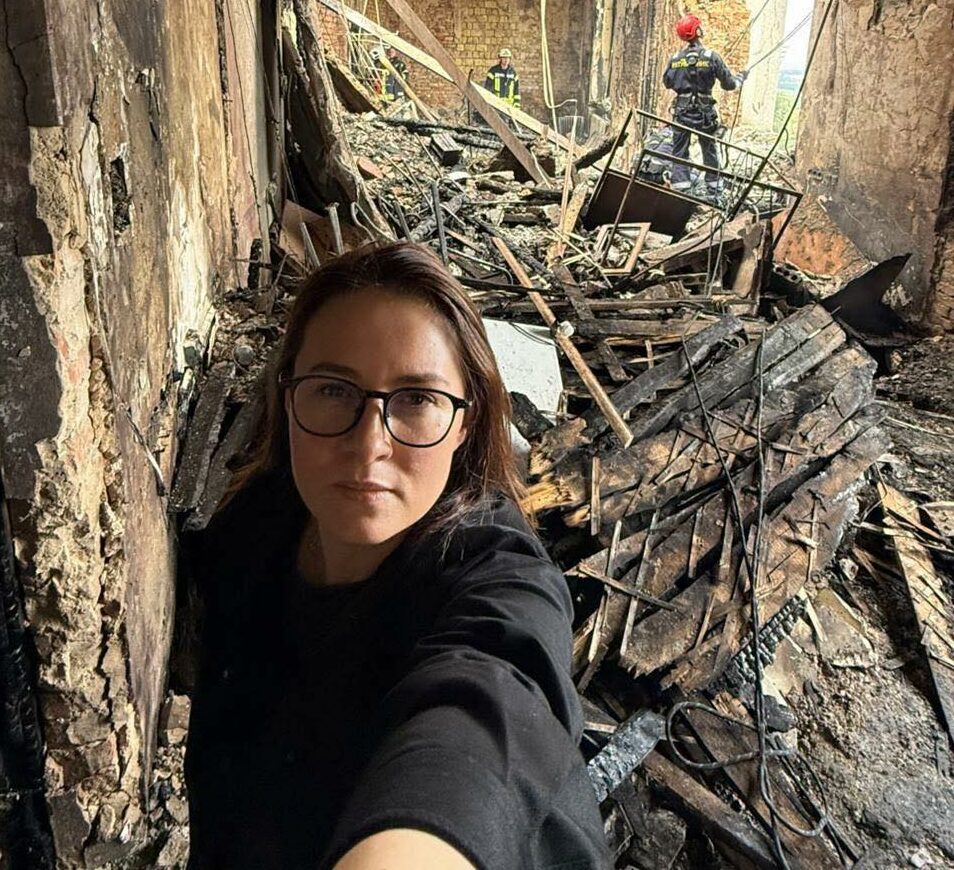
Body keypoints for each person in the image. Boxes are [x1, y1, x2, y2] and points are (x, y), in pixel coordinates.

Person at [184, 242, 610, 869]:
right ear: (288, 395)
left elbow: (482, 718)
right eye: (333, 389)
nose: (368, 444)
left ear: (466, 421)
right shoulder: (257, 523)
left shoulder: (498, 583)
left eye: (416, 400)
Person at [662, 14, 747, 200]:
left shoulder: (675, 59)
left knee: (679, 151)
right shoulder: (711, 57)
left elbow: (667, 82)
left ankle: (680, 189)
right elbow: (729, 85)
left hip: (682, 112)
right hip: (705, 114)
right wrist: (741, 78)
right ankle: (714, 191)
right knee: (708, 148)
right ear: (697, 31)